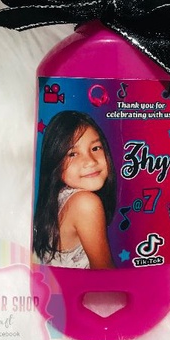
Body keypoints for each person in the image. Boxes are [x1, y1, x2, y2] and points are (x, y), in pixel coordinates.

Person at [33, 111, 116, 269]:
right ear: (54, 161)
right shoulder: (85, 204)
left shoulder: (59, 198)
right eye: (72, 154)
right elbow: (105, 274)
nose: (90, 161)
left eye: (96, 148)